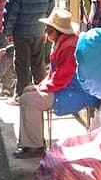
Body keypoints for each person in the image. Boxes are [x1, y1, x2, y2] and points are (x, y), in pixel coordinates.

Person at [14, 8, 81, 159]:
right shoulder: (61, 43)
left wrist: (40, 88)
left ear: (57, 30)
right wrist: (38, 87)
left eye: (49, 28)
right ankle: (31, 142)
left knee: (29, 99)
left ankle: (34, 146)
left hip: (71, 91)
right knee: (27, 92)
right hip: (63, 87)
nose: (46, 30)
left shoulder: (69, 47)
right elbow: (53, 75)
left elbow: (62, 77)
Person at [4, 0, 55, 98]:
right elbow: (51, 9)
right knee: (38, 64)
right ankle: (42, 93)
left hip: (21, 33)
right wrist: (46, 29)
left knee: (22, 64)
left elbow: (10, 14)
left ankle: (23, 95)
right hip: (39, 32)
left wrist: (8, 32)